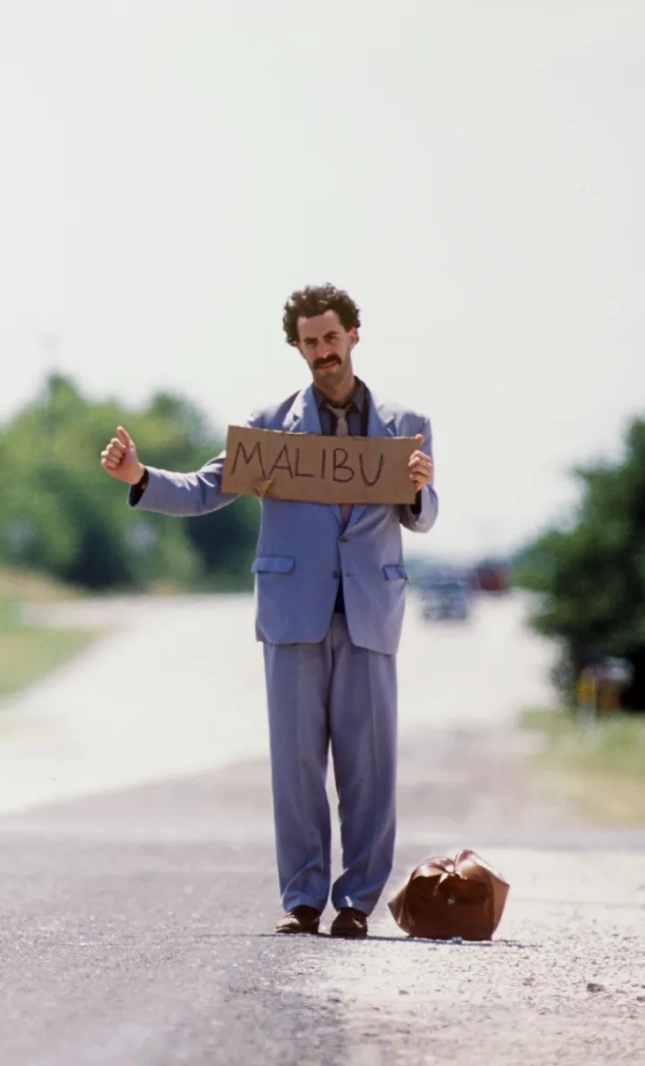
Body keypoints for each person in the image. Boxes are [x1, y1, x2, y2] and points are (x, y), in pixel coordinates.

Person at [99, 285, 436, 938]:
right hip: (292, 612)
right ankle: (303, 897)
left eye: (331, 338)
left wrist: (420, 491)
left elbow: (424, 515)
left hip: (369, 609)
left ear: (354, 336)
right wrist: (140, 476)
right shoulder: (269, 428)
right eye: (310, 342)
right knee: (295, 763)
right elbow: (204, 490)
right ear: (297, 347)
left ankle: (358, 902)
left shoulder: (405, 424)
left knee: (370, 766)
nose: (322, 352)